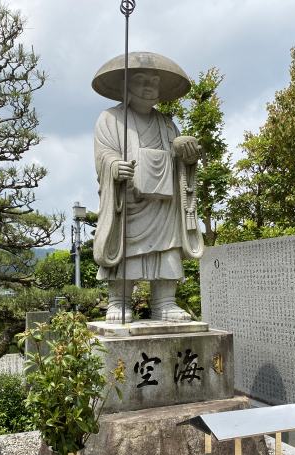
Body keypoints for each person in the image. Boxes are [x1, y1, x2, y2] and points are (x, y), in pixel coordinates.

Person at [91, 51, 204, 323]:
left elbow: (181, 161)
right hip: (127, 199)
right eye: (141, 80)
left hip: (163, 202)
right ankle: (119, 300)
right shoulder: (111, 119)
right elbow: (103, 154)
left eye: (154, 81)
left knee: (167, 247)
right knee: (124, 247)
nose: (149, 87)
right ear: (125, 85)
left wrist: (185, 155)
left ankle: (164, 301)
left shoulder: (167, 124)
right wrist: (114, 166)